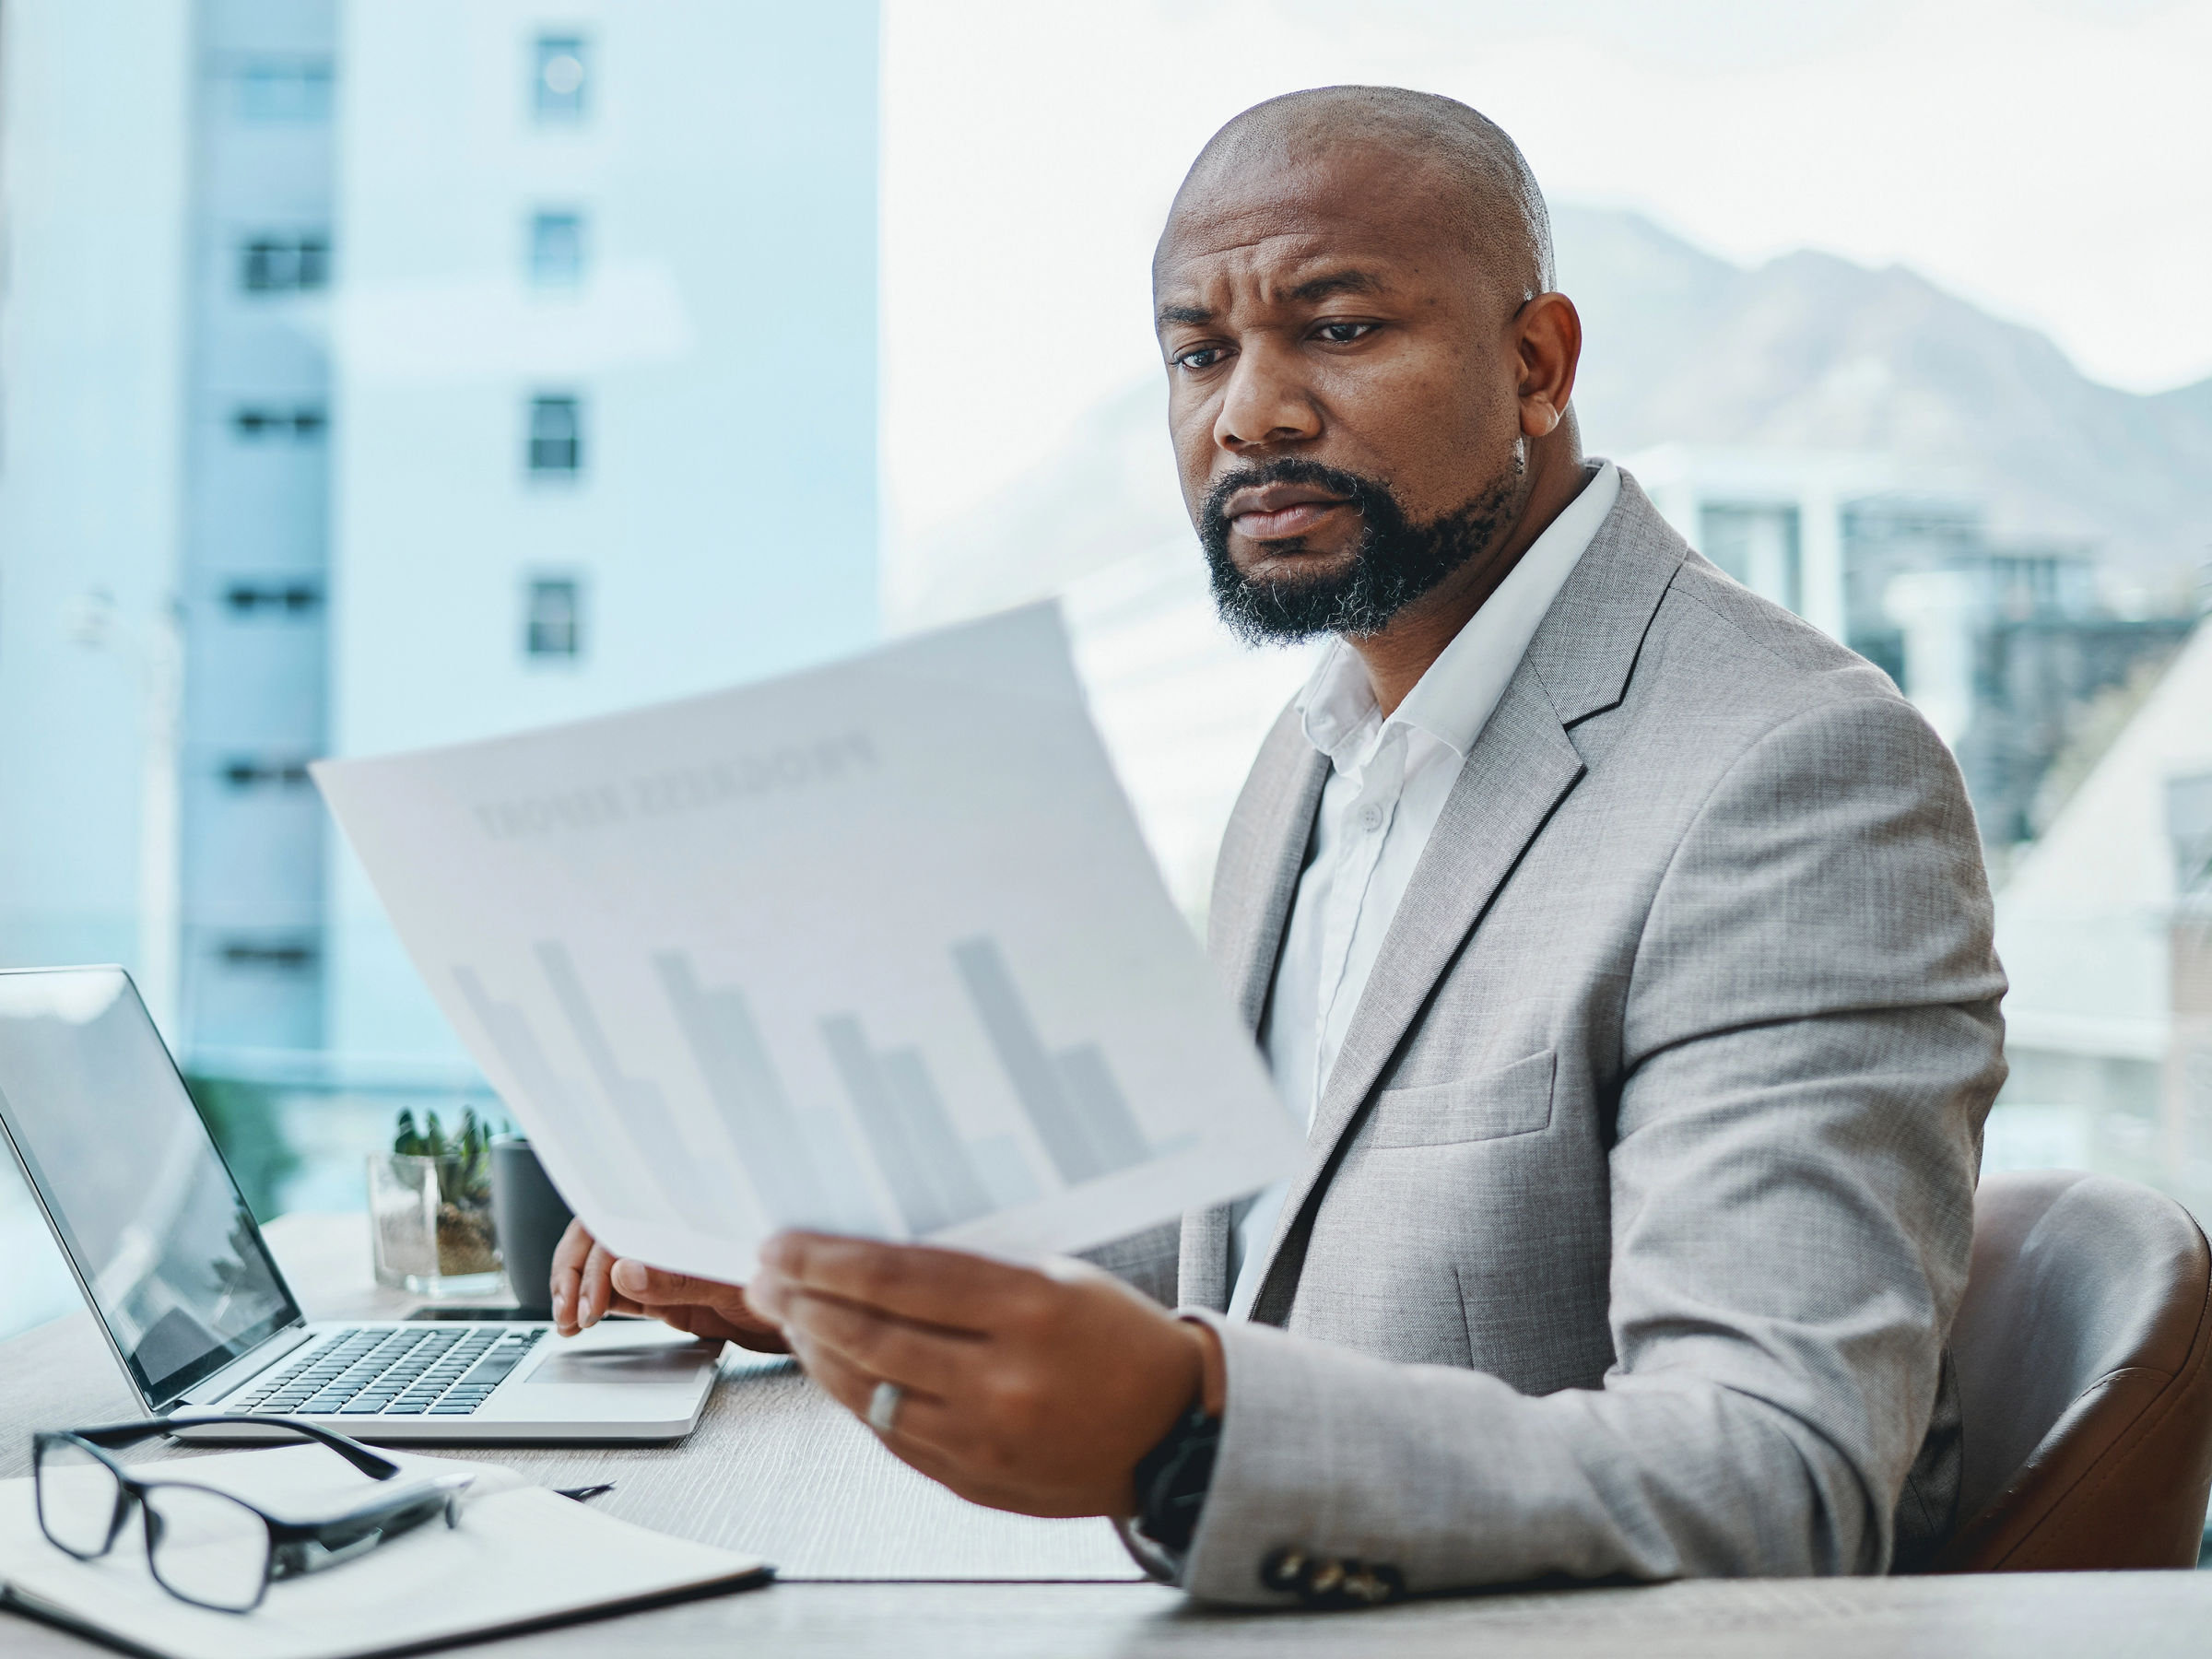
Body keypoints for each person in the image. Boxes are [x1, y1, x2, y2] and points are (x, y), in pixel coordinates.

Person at [549, 86, 2006, 1606]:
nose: (1252, 412)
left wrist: (1192, 1429)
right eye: (1199, 353)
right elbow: (1242, 1238)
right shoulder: (1317, 742)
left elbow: (1775, 1477)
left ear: (1537, 363)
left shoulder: (1794, 773)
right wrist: (833, 1268)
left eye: (1340, 329)